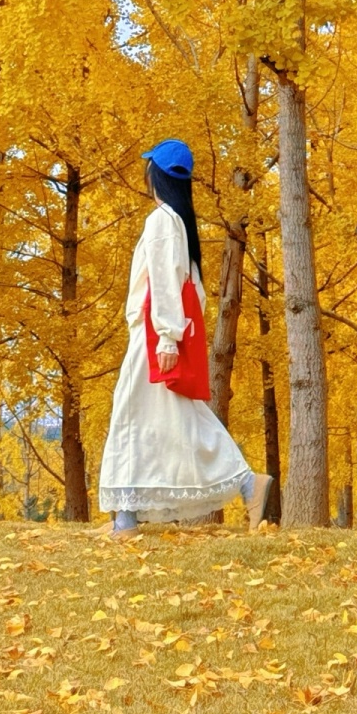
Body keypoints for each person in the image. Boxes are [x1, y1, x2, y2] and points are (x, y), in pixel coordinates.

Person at [98, 138, 272, 539]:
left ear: (155, 175)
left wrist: (167, 338)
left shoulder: (161, 221)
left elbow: (163, 282)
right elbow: (192, 287)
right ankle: (245, 485)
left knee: (132, 413)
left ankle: (127, 518)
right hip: (160, 333)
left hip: (153, 336)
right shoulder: (181, 223)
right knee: (170, 415)